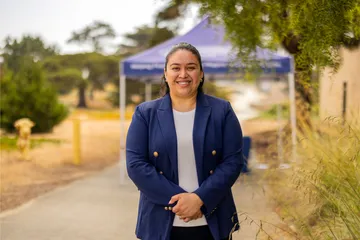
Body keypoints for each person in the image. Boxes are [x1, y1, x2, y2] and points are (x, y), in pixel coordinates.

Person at [126, 42, 244, 240]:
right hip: (159, 224)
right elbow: (136, 165)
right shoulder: (145, 114)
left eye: (191, 67)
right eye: (175, 68)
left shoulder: (222, 111)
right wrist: (182, 204)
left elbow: (233, 162)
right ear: (165, 73)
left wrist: (200, 199)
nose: (183, 74)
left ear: (201, 73)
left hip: (213, 223)